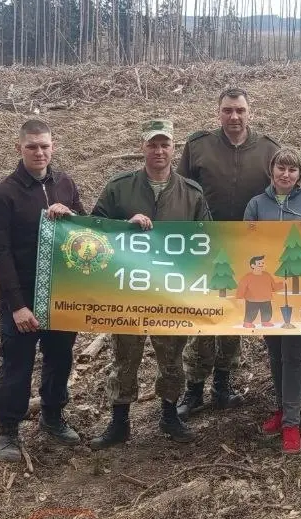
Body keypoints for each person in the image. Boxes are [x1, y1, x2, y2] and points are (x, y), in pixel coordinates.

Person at [88, 119, 210, 450]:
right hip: (128, 290)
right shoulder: (120, 187)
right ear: (143, 147)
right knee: (124, 356)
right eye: (152, 145)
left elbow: (206, 240)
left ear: (174, 148)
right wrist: (123, 227)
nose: (159, 151)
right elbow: (94, 229)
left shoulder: (191, 192)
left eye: (165, 144)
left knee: (171, 356)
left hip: (170, 290)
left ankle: (170, 416)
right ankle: (119, 421)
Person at [0, 118, 86, 462]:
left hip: (61, 293)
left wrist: (69, 214)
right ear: (19, 149)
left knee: (60, 358)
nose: (39, 153)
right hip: (23, 297)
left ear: (53, 147)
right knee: (17, 363)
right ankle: (8, 431)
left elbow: (84, 230)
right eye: (32, 147)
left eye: (45, 146)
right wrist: (16, 305)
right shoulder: (3, 195)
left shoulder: (66, 184)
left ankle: (53, 416)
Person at [177, 88, 280, 417]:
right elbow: (181, 191)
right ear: (218, 112)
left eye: (239, 110)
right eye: (227, 111)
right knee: (203, 318)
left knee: (235, 318)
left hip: (247, 249)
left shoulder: (268, 150)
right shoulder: (198, 147)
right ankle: (193, 389)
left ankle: (223, 385)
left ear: (250, 111)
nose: (234, 117)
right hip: (205, 246)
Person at [244, 147, 301, 453]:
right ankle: (281, 409)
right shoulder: (256, 204)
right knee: (276, 353)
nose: (286, 174)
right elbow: (245, 245)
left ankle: (292, 423)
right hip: (266, 293)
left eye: (292, 170)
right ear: (272, 170)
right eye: (281, 168)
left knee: (295, 357)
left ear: (300, 175)